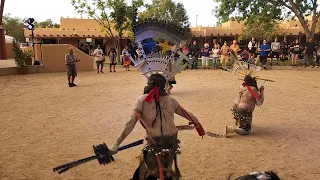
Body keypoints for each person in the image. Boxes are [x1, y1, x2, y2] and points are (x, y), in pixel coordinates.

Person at [108, 74, 205, 180]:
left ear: (149, 84)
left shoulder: (141, 101)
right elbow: (189, 115)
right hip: (170, 144)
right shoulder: (171, 101)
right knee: (165, 170)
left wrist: (116, 144)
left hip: (154, 144)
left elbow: (130, 123)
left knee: (149, 174)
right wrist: (196, 123)